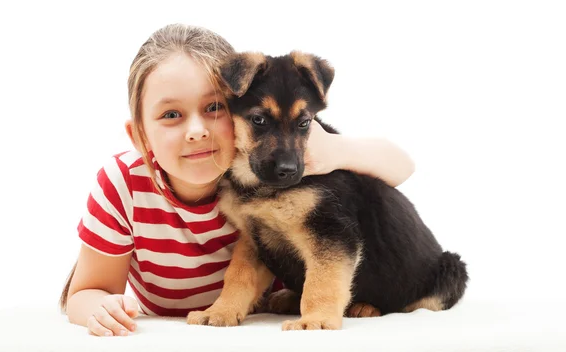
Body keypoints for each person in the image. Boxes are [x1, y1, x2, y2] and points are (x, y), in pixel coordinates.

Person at [60, 23, 416, 337]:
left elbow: (402, 167)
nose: (197, 131)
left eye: (214, 108)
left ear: (234, 108)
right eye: (171, 114)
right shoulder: (124, 185)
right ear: (139, 135)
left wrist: (335, 150)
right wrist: (98, 310)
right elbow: (86, 292)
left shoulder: (264, 173)